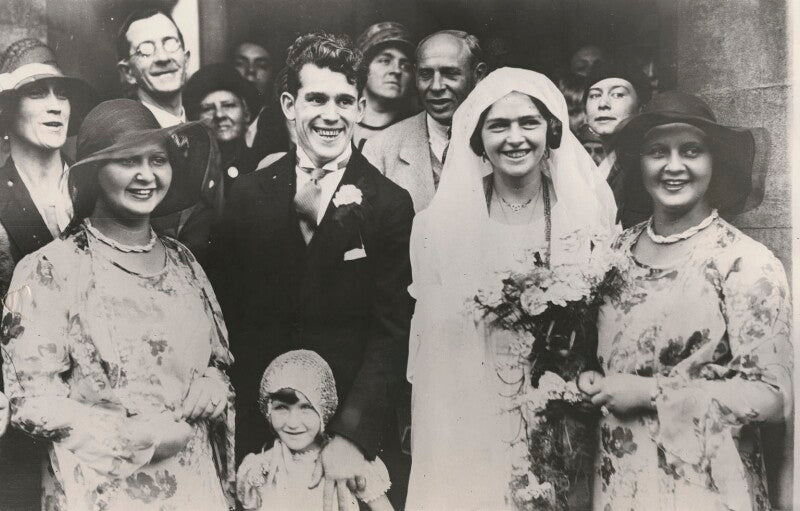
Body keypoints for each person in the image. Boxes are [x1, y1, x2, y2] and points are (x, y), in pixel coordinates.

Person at [207, 32, 414, 509]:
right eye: (315, 98)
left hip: (342, 436)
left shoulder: (387, 203)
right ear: (289, 103)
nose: (330, 114)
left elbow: (392, 330)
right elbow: (227, 317)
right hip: (262, 433)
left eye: (344, 100)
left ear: (360, 106)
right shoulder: (247, 196)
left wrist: (351, 434)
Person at [1, 99, 235, 510]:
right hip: (101, 490)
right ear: (94, 171)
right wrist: (137, 440)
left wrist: (213, 389)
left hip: (194, 483)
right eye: (128, 160)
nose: (146, 175)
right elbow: (30, 399)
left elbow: (218, 361)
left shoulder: (184, 263)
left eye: (158, 159)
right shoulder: (50, 269)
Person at [405, 67, 616, 510]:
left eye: (528, 123)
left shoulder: (586, 216)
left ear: (551, 131)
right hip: (470, 415)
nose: (514, 138)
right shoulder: (436, 225)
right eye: (498, 125)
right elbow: (432, 347)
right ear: (478, 138)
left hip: (561, 411)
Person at [579, 91, 792, 511]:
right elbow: (608, 355)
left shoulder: (744, 262)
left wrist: (649, 392)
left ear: (714, 162)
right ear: (640, 162)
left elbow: (774, 396)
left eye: (690, 151)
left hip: (705, 486)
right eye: (657, 151)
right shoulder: (615, 252)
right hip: (619, 484)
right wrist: (592, 379)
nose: (673, 166)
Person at [0, 38, 97, 511]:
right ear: (7, 108)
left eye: (61, 93)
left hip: (102, 405)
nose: (56, 105)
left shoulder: (95, 187)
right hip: (19, 412)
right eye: (37, 93)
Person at [237, 350, 393, 511]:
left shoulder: (347, 461)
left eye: (306, 408)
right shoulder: (260, 467)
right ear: (268, 410)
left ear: (324, 408)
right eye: (281, 408)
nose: (293, 422)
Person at [362, 30, 487, 212]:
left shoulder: (506, 139)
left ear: (478, 75)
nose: (436, 87)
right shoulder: (379, 149)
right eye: (426, 74)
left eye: (450, 73)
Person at [584, 61, 652, 226]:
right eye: (594, 95)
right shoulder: (599, 164)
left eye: (618, 94)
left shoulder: (641, 167)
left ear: (640, 108)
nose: (603, 104)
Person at [184, 63, 262, 190]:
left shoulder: (263, 166)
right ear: (196, 119)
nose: (219, 115)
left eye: (229, 105)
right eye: (208, 109)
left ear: (246, 114)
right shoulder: (190, 174)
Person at [116, 8, 190, 127]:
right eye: (145, 49)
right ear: (128, 72)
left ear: (186, 60)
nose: (163, 58)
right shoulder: (126, 142)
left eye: (170, 43)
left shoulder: (207, 135)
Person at [353, 22, 416, 149]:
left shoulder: (417, 132)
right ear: (363, 68)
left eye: (405, 65)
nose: (397, 70)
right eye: (385, 61)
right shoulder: (338, 121)